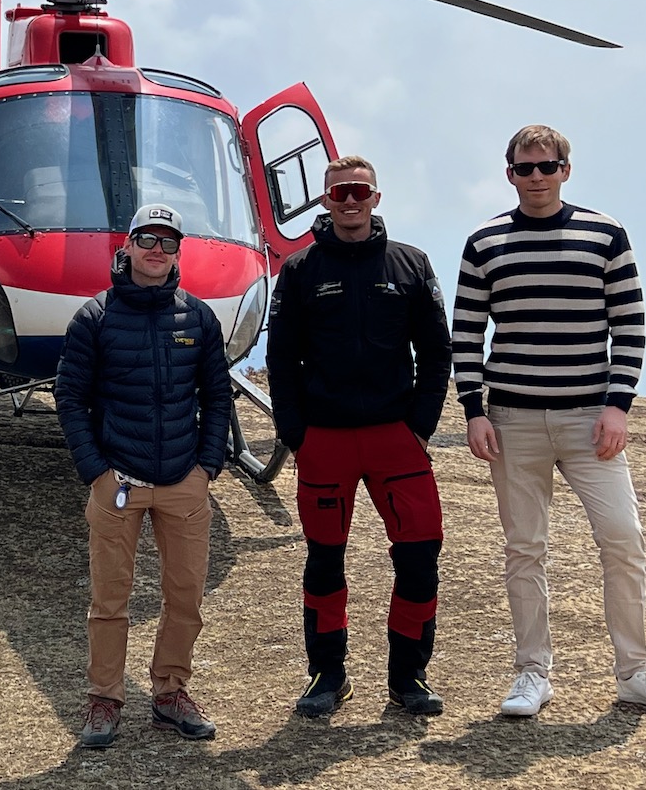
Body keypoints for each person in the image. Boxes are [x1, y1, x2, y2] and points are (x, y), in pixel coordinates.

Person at [454, 124, 646, 717]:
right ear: (508, 172)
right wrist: (474, 411)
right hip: (512, 420)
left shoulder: (606, 234)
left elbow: (630, 324)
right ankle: (531, 674)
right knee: (524, 549)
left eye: (547, 166)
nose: (536, 177)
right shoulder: (484, 242)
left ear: (567, 169)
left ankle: (636, 673)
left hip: (591, 419)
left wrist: (619, 406)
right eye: (524, 168)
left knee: (623, 540)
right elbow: (465, 331)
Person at [265, 155, 451, 718]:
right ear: (325, 200)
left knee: (419, 559)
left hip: (396, 436)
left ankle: (408, 678)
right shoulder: (299, 270)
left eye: (359, 191)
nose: (350, 200)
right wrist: (295, 435)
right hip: (325, 439)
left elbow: (437, 350)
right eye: (339, 192)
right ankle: (327, 675)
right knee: (325, 562)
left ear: (376, 197)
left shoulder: (411, 264)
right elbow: (281, 359)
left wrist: (420, 425)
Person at [55, 203, 232, 749]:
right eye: (147, 239)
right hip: (117, 481)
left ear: (179, 250)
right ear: (126, 247)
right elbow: (70, 397)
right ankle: (104, 700)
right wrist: (96, 473)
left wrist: (206, 469)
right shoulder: (95, 317)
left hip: (184, 481)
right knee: (110, 600)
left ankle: (170, 693)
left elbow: (218, 397)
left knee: (186, 597)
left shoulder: (198, 318)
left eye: (168, 241)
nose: (157, 250)